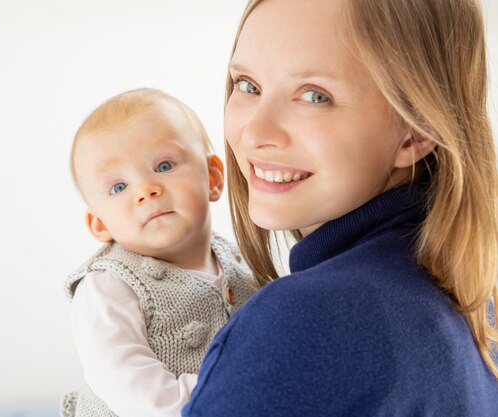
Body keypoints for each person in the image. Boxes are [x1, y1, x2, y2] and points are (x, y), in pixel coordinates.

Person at [183, 0, 498, 415]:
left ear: (415, 130)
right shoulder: (477, 299)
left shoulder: (302, 324)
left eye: (315, 96)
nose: (254, 133)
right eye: (247, 85)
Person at [59, 88, 257, 417]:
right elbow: (125, 381)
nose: (146, 190)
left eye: (164, 165)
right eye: (118, 187)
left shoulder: (239, 263)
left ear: (213, 178)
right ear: (99, 224)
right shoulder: (107, 286)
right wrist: (210, 400)